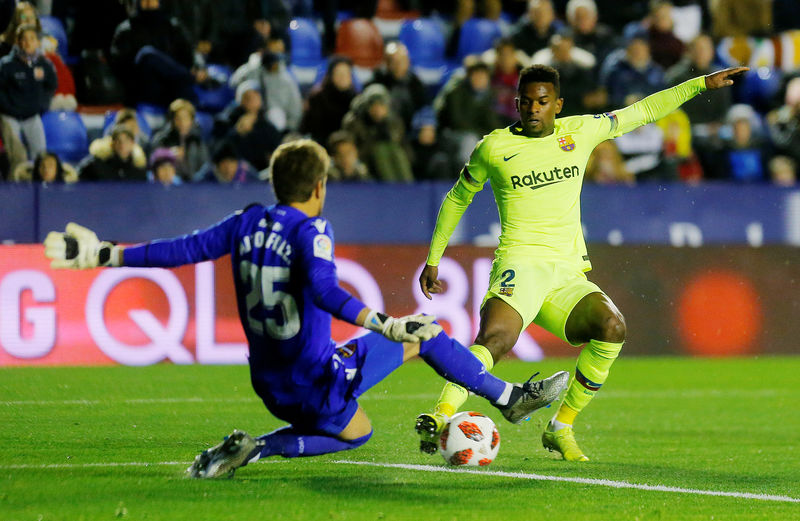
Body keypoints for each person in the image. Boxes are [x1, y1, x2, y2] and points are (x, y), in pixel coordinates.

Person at [43, 138, 569, 478]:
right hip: (315, 383)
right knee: (363, 421)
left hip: (268, 381)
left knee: (417, 341)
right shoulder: (311, 228)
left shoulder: (245, 220)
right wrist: (383, 319)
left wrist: (103, 254)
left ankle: (509, 397)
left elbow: (182, 250)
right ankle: (508, 398)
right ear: (319, 187)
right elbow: (322, 289)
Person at [415, 63, 747, 461]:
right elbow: (456, 198)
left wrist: (700, 84)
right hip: (519, 266)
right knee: (495, 341)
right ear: (516, 104)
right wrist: (434, 257)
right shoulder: (494, 147)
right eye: (526, 102)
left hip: (567, 273)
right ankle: (439, 416)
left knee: (612, 327)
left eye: (542, 102)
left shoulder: (582, 130)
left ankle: (561, 427)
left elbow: (642, 111)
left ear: (558, 104)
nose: (533, 109)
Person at [0, 24, 56, 159]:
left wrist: (41, 105)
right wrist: (8, 108)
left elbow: (52, 86)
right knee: (17, 157)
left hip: (32, 116)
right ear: (18, 42)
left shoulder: (44, 64)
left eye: (32, 38)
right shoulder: (7, 64)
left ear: (37, 42)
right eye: (24, 39)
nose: (28, 42)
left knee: (41, 156)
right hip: (10, 116)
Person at [151, 98, 209, 181]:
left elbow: (205, 166)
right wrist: (169, 153)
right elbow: (153, 160)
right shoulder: (162, 139)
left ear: (191, 120)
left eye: (185, 118)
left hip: (194, 188)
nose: (182, 122)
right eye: (178, 118)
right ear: (172, 120)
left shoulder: (197, 141)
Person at [78, 126, 147, 182]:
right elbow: (78, 175)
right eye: (118, 140)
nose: (122, 145)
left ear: (132, 143)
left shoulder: (138, 168)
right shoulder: (98, 163)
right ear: (112, 144)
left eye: (126, 140)